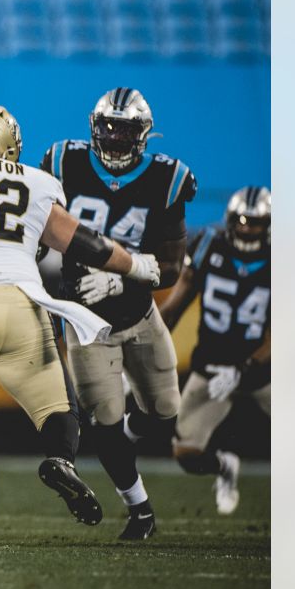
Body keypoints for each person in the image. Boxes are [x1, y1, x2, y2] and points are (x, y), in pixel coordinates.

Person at [0, 103, 161, 530]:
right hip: (19, 303)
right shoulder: (36, 182)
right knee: (59, 408)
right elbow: (84, 243)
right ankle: (60, 459)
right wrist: (133, 266)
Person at [41, 87, 196, 540]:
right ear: (93, 126)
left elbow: (170, 267)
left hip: (140, 314)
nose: (113, 137)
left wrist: (120, 276)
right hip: (87, 321)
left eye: (124, 129)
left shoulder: (167, 179)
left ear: (143, 134)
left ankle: (122, 436)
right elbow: (35, 225)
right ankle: (141, 511)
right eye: (107, 127)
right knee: (104, 420)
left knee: (166, 413)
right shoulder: (63, 162)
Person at [160, 186, 271, 515]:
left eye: (256, 222)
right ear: (230, 220)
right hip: (211, 365)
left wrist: (245, 368)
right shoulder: (209, 243)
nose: (248, 228)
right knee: (186, 454)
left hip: (264, 370)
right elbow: (173, 307)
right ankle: (224, 467)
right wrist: (142, 353)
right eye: (241, 220)